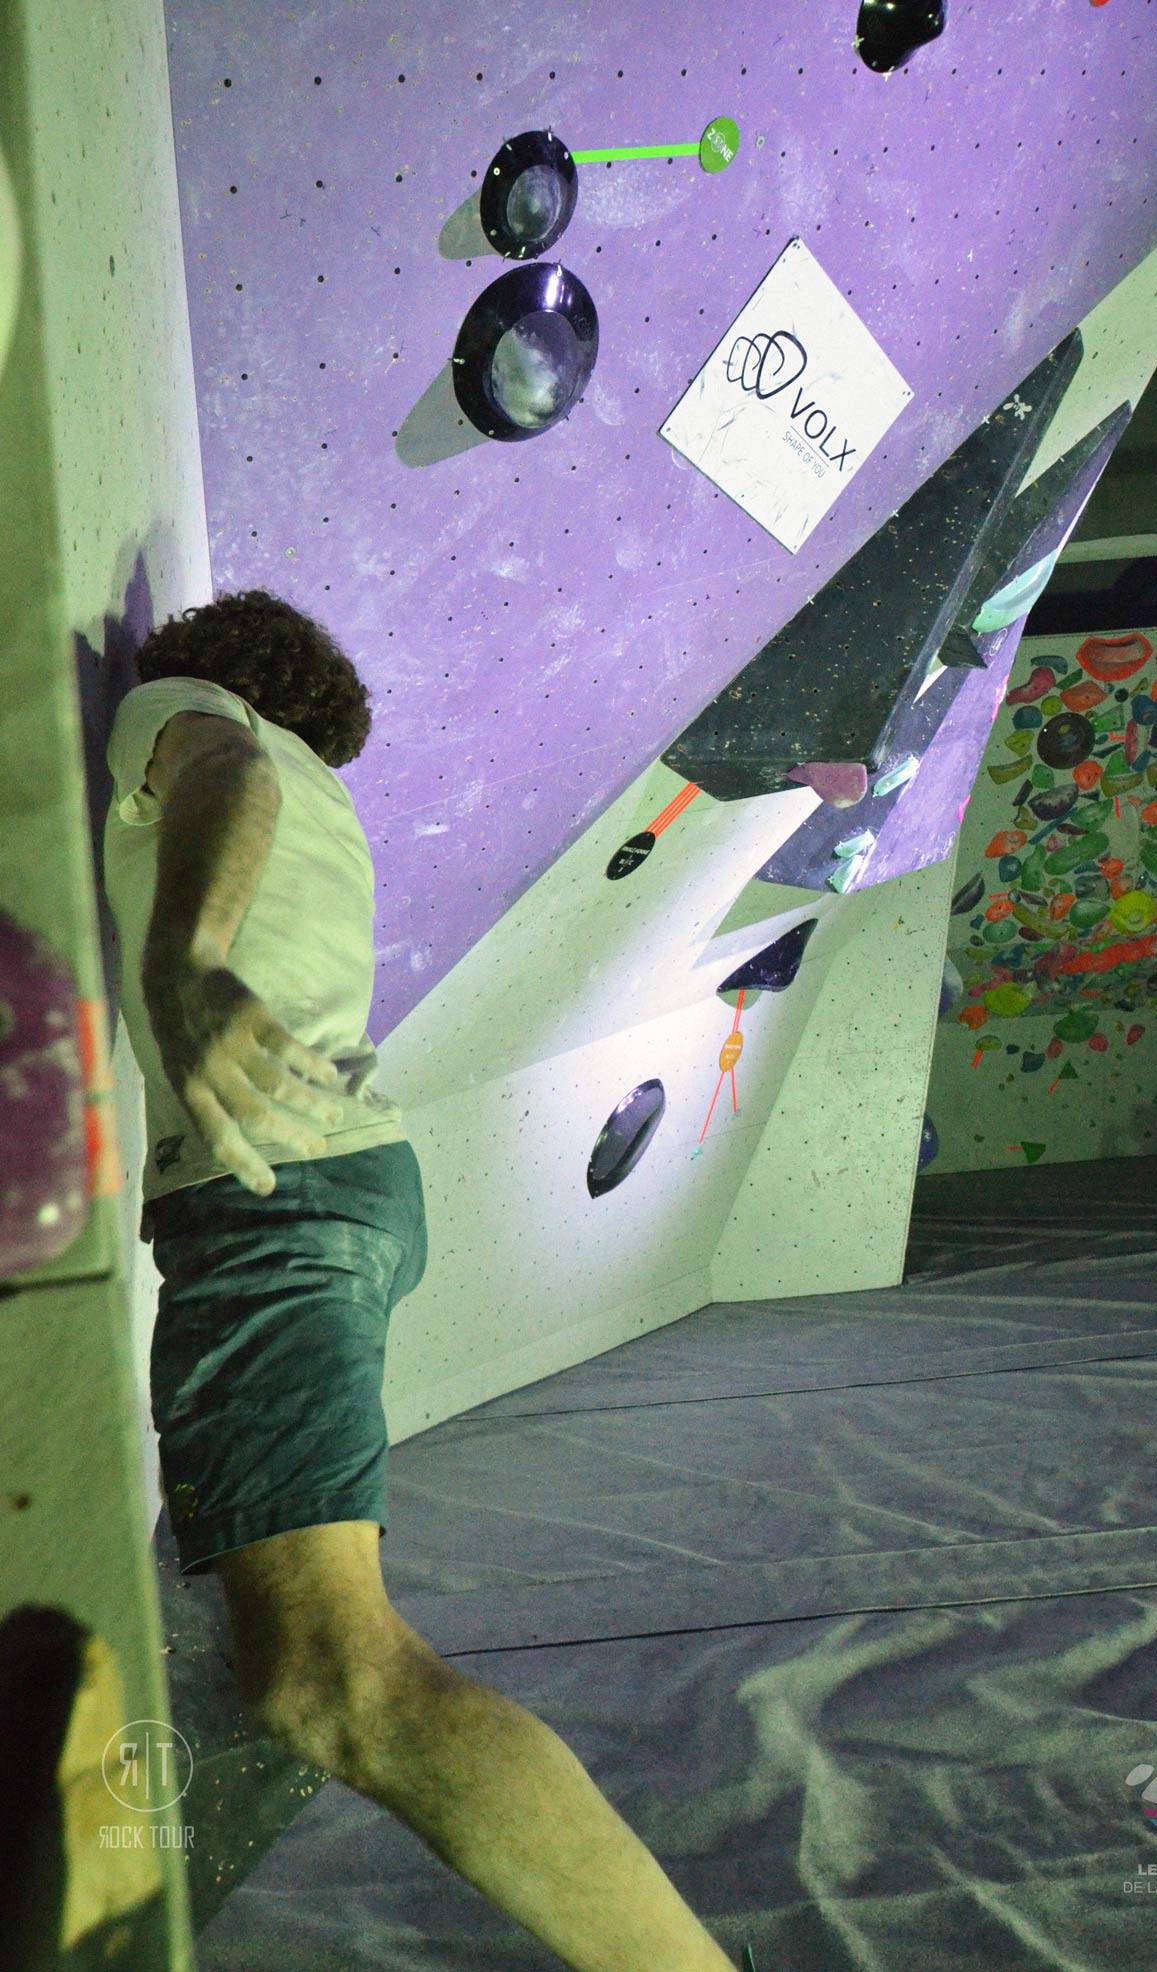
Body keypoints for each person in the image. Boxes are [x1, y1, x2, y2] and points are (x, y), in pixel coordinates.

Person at [106, 590, 744, 1972]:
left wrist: (184, 962)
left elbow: (222, 769)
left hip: (273, 1205)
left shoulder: (193, 716)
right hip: (344, 1191)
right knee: (250, 1632)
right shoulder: (327, 799)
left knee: (335, 1681)